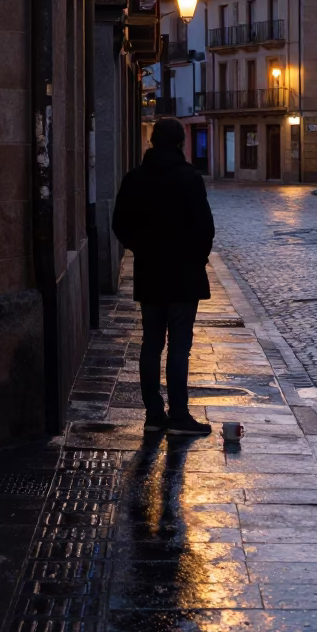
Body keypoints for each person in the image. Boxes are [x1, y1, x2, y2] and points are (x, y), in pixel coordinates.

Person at [112, 117, 215, 436]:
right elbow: (205, 228)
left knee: (151, 344)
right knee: (179, 346)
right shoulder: (189, 179)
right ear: (180, 143)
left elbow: (119, 223)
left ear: (153, 141)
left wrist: (141, 248)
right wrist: (195, 258)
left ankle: (154, 414)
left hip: (150, 273)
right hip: (184, 276)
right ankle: (180, 415)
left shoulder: (135, 179)